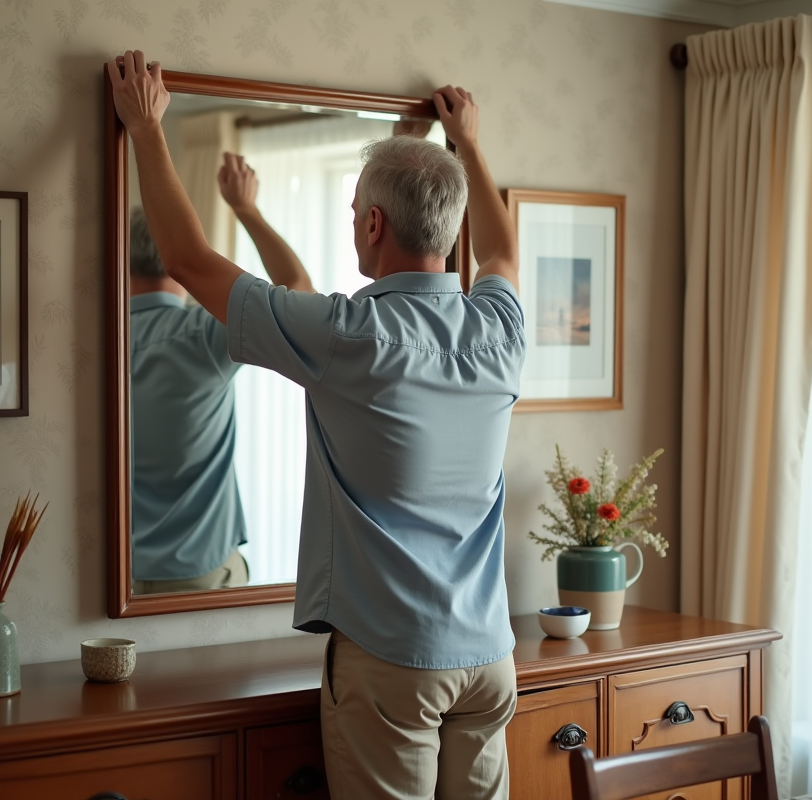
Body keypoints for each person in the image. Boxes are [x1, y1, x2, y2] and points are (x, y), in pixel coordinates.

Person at [111, 52, 524, 798]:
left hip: (395, 662)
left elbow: (188, 260)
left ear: (371, 223)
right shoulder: (499, 327)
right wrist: (467, 142)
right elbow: (500, 249)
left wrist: (145, 129)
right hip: (491, 657)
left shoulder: (347, 334)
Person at [129, 152, 314, 596]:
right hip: (201, 574)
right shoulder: (200, 336)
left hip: (117, 576)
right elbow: (299, 291)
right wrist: (246, 209)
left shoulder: (93, 343)